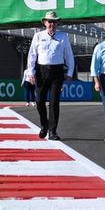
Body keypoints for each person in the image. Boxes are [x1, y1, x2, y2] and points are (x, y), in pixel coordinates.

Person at [26, 10, 75, 141]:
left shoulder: (63, 36)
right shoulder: (38, 36)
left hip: (57, 72)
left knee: (54, 103)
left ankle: (53, 131)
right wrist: (31, 72)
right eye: (49, 21)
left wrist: (70, 72)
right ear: (44, 22)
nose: (51, 24)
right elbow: (32, 55)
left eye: (54, 21)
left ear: (57, 23)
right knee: (39, 101)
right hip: (41, 71)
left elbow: (69, 55)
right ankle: (44, 125)